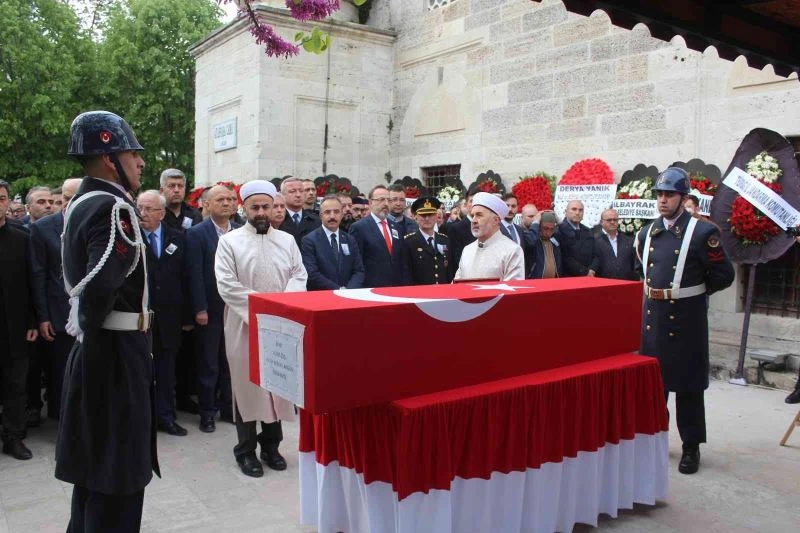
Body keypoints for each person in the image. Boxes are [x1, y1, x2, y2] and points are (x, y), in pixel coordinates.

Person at [56, 110, 159, 531]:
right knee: (118, 477)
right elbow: (99, 291)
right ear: (107, 158)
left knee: (96, 475)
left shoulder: (84, 201)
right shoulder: (112, 208)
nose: (139, 162)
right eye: (132, 153)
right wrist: (99, 331)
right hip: (115, 357)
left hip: (100, 352)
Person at [635, 167, 734, 475]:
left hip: (687, 320)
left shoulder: (703, 233)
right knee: (654, 388)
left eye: (669, 195)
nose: (663, 200)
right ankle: (654, 439)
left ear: (683, 198)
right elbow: (641, 270)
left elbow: (723, 275)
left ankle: (691, 447)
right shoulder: (646, 232)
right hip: (654, 319)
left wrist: (692, 295)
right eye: (659, 195)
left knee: (689, 388)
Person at [215, 180, 307, 477]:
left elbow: (299, 275)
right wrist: (265, 308)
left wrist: (281, 309)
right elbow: (227, 285)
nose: (261, 212)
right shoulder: (229, 242)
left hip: (281, 326)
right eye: (254, 207)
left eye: (266, 206)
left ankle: (271, 447)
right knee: (247, 388)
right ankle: (245, 451)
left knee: (277, 384)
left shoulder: (287, 241)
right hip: (244, 325)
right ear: (244, 208)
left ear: (274, 207)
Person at [137, 190, 191, 437]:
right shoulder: (130, 239)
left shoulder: (179, 238)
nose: (143, 213)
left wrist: (188, 316)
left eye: (149, 209)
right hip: (139, 318)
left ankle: (166, 417)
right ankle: (142, 420)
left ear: (161, 212)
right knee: (140, 371)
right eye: (140, 208)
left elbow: (187, 279)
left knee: (167, 371)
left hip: (169, 317)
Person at [186, 185, 239, 433]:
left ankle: (229, 408)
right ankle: (207, 412)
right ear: (206, 204)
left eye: (230, 198)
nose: (227, 203)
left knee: (231, 362)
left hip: (236, 309)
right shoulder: (197, 234)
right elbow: (194, 274)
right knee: (209, 363)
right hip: (210, 308)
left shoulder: (240, 231)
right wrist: (199, 308)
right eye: (221, 199)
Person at [28, 177, 81, 422]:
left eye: (77, 197)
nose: (71, 203)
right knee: (61, 373)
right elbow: (38, 275)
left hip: (93, 314)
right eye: (67, 198)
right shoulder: (43, 228)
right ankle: (63, 425)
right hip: (58, 314)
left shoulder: (97, 223)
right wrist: (43, 317)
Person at [0, 178, 38, 460]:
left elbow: (33, 283)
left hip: (15, 327)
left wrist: (34, 321)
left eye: (1, 198)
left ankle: (13, 437)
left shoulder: (22, 238)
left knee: (16, 385)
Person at [454, 192, 525, 281]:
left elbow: (513, 291)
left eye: (479, 215)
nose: (474, 220)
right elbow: (457, 286)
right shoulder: (467, 250)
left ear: (495, 220)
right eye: (472, 216)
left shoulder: (512, 251)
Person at [301, 195, 365, 290]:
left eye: (336, 212)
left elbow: (359, 271)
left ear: (342, 214)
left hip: (349, 296)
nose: (332, 216)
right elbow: (312, 273)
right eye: (327, 212)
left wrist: (349, 290)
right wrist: (338, 289)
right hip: (323, 297)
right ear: (321, 215)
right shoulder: (309, 240)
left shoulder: (350, 240)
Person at [349, 185, 406, 287]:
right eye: (381, 200)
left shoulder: (397, 227)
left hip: (396, 287)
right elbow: (356, 263)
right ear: (370, 203)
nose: (385, 203)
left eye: (388, 200)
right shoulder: (359, 227)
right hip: (371, 288)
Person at [403, 197, 453, 285]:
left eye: (430, 215)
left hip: (443, 292)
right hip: (420, 294)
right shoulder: (409, 242)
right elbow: (407, 275)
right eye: (423, 215)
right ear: (416, 217)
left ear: (436, 216)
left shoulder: (444, 240)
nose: (427, 218)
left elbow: (449, 270)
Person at [594, 208, 638, 281]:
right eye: (609, 220)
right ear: (601, 222)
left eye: (615, 220)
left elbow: (633, 265)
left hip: (625, 285)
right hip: (602, 285)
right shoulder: (594, 240)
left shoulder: (628, 240)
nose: (612, 222)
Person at [558, 200, 599, 277]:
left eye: (580, 210)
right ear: (566, 212)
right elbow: (564, 257)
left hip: (589, 278)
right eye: (574, 209)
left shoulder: (588, 231)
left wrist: (592, 269)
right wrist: (585, 272)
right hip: (569, 278)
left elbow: (596, 254)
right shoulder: (559, 230)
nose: (577, 213)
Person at [278, 177, 321, 246]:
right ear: (282, 195)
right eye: (292, 191)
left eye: (301, 191)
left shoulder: (316, 221)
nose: (298, 195)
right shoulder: (277, 220)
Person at [448, 186, 479, 268]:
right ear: (466, 204)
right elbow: (455, 259)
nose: (475, 204)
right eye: (472, 201)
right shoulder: (456, 228)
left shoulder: (487, 226)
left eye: (478, 201)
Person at [528, 211, 562, 279]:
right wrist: (536, 222)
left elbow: (569, 236)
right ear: (539, 226)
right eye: (545, 228)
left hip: (554, 283)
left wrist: (559, 221)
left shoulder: (555, 238)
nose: (548, 233)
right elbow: (530, 241)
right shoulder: (533, 240)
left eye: (552, 229)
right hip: (536, 283)